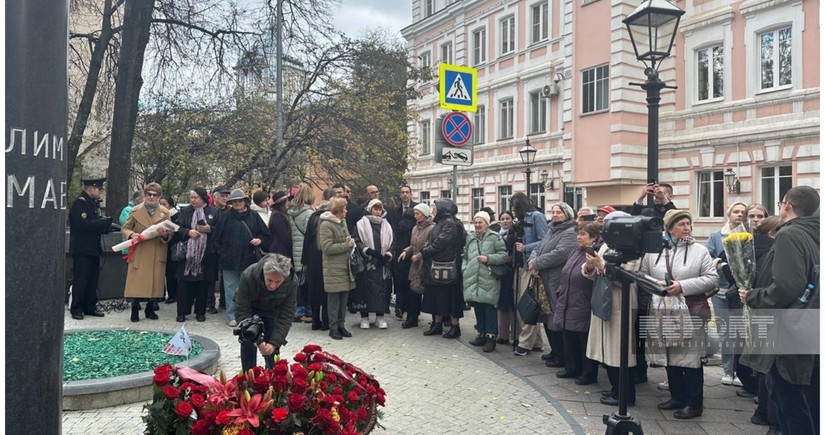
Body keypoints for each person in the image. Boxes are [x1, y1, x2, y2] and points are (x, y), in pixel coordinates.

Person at [740, 186, 819, 435]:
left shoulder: (790, 234)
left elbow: (787, 286)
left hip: (788, 332)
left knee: (790, 404)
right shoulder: (815, 233)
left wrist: (753, 296)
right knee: (810, 401)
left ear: (787, 206)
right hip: (810, 329)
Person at [640, 209, 717, 420]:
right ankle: (677, 397)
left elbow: (712, 278)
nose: (686, 228)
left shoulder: (700, 251)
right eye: (681, 224)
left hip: (691, 310)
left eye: (688, 224)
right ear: (669, 227)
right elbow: (642, 273)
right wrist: (656, 285)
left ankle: (694, 404)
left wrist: (681, 286)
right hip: (662, 310)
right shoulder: (653, 250)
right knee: (669, 353)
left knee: (690, 357)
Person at [583, 211, 641, 407]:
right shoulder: (607, 245)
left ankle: (625, 393)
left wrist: (601, 266)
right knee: (607, 348)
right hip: (603, 299)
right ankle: (616, 388)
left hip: (620, 301)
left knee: (619, 348)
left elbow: (629, 274)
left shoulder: (633, 246)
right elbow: (596, 273)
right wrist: (590, 267)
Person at [705, 201, 749, 386]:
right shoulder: (716, 236)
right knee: (725, 333)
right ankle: (728, 370)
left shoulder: (749, 236)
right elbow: (707, 257)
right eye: (736, 211)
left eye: (743, 212)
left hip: (740, 292)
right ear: (729, 214)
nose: (739, 215)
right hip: (721, 291)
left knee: (739, 332)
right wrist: (719, 264)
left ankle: (740, 371)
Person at [529, 202, 577, 367]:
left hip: (556, 280)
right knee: (547, 316)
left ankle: (562, 355)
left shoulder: (570, 232)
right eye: (554, 212)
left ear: (567, 214)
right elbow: (539, 247)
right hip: (544, 279)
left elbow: (560, 254)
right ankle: (554, 351)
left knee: (556, 318)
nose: (555, 215)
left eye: (559, 212)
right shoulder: (552, 229)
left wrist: (537, 262)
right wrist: (532, 260)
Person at [214, 189, 271, 327]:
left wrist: (259, 240)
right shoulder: (225, 217)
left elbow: (266, 235)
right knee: (230, 289)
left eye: (240, 200)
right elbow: (216, 239)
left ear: (245, 201)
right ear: (231, 203)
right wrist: (223, 252)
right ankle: (232, 316)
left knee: (249, 289)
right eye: (235, 201)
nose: (238, 203)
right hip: (229, 260)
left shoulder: (254, 216)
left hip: (249, 259)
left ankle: (246, 315)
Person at [235, 253, 297, 372]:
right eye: (269, 280)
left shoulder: (291, 282)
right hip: (251, 309)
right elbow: (242, 309)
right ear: (264, 272)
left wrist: (274, 343)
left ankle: (273, 377)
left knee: (272, 349)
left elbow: (287, 315)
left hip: (273, 311)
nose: (272, 286)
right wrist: (255, 339)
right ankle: (248, 377)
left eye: (278, 282)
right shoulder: (249, 275)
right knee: (247, 341)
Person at [122, 182, 174, 322]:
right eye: (149, 194)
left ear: (159, 197)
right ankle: (135, 307)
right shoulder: (135, 211)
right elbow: (125, 228)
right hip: (140, 249)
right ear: (145, 196)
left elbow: (170, 233)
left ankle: (150, 308)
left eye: (154, 195)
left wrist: (165, 235)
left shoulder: (164, 212)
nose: (151, 197)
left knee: (155, 281)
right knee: (137, 282)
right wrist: (131, 235)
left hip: (157, 249)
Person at [68, 177, 114, 320]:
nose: (100, 192)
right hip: (82, 248)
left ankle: (90, 306)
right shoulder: (80, 204)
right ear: (91, 188)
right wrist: (102, 223)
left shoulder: (93, 204)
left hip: (93, 248)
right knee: (81, 279)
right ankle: (77, 308)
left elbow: (96, 225)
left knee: (92, 279)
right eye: (98, 189)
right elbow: (84, 224)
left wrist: (107, 227)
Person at [509, 192, 548, 356]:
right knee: (524, 302)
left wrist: (526, 248)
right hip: (519, 264)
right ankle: (536, 342)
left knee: (526, 304)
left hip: (529, 265)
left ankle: (525, 343)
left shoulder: (537, 216)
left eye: (514, 206)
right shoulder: (522, 219)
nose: (513, 210)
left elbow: (544, 240)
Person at [420, 199, 466, 338]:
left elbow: (441, 241)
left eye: (435, 207)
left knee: (451, 298)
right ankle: (437, 324)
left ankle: (454, 326)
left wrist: (426, 251)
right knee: (437, 296)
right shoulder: (441, 222)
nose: (433, 210)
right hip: (437, 265)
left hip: (448, 266)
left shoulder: (450, 223)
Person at [172, 188, 219, 323]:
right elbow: (176, 229)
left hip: (206, 253)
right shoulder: (184, 212)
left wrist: (210, 229)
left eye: (196, 197)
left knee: (203, 284)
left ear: (203, 198)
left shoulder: (213, 212)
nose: (193, 200)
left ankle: (200, 312)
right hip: (187, 254)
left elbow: (221, 231)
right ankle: (181, 312)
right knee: (183, 285)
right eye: (191, 197)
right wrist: (188, 232)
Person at [463, 211, 508, 352]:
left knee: (489, 308)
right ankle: (481, 334)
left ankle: (491, 338)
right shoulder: (470, 238)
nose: (477, 225)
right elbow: (465, 255)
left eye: (480, 222)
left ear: (487, 223)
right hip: (473, 278)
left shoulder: (495, 238)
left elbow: (503, 256)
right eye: (475, 222)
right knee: (478, 306)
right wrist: (464, 269)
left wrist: (488, 258)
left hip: (488, 278)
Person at [318, 197, 356, 340]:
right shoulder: (326, 225)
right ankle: (333, 328)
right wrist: (347, 246)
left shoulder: (343, 222)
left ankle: (341, 325)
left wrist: (350, 242)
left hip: (345, 266)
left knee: (344, 298)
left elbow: (345, 239)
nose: (346, 211)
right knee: (334, 300)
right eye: (344, 208)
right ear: (339, 211)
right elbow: (326, 247)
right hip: (333, 268)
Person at [352, 199, 394, 329]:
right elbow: (356, 240)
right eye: (375, 209)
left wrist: (388, 254)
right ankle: (364, 317)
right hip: (366, 262)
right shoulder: (360, 224)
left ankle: (380, 317)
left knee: (382, 290)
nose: (377, 211)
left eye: (379, 209)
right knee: (364, 290)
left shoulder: (387, 225)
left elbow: (393, 242)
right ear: (370, 209)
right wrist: (367, 251)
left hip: (382, 264)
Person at [303, 188, 335, 331]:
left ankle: (315, 320)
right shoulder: (333, 217)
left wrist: (304, 259)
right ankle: (326, 321)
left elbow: (307, 239)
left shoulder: (314, 215)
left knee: (314, 288)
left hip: (312, 257)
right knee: (327, 289)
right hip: (327, 256)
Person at [398, 203, 435, 329]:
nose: (415, 216)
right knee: (413, 291)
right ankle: (412, 318)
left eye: (418, 213)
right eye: (414, 213)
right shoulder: (415, 228)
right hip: (415, 264)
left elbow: (430, 246)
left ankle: (436, 321)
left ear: (424, 214)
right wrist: (406, 251)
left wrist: (419, 256)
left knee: (428, 292)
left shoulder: (432, 228)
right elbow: (413, 245)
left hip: (426, 264)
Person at [288, 184, 315, 324]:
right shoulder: (309, 214)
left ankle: (298, 310)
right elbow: (309, 233)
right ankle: (308, 311)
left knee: (299, 283)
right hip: (305, 252)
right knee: (307, 284)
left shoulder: (292, 212)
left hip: (295, 251)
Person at [390, 186, 418, 321]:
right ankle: (400, 307)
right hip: (399, 252)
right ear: (400, 195)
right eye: (402, 192)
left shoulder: (418, 208)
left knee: (412, 282)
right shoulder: (395, 211)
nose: (405, 194)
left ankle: (409, 308)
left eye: (407, 192)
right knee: (400, 281)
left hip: (413, 251)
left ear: (411, 194)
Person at [208, 185, 232, 314]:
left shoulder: (230, 211)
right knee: (211, 277)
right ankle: (210, 303)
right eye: (222, 195)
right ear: (214, 196)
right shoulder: (209, 211)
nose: (225, 198)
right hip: (211, 249)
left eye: (227, 195)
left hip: (226, 249)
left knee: (226, 277)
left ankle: (224, 301)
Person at [495, 210, 516, 345]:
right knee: (502, 304)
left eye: (508, 218)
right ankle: (503, 335)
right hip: (501, 272)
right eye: (502, 219)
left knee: (513, 304)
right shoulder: (496, 234)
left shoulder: (515, 233)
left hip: (513, 270)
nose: (505, 221)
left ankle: (515, 334)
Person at [159, 195, 179, 305]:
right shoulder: (160, 215)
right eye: (160, 204)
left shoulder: (176, 215)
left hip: (173, 246)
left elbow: (177, 229)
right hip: (161, 245)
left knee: (171, 272)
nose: (162, 206)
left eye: (164, 204)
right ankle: (160, 294)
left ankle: (173, 294)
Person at [267, 191, 292, 258]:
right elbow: (283, 235)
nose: (288, 203)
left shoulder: (280, 214)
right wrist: (290, 247)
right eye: (286, 201)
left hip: (281, 250)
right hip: (280, 252)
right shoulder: (277, 216)